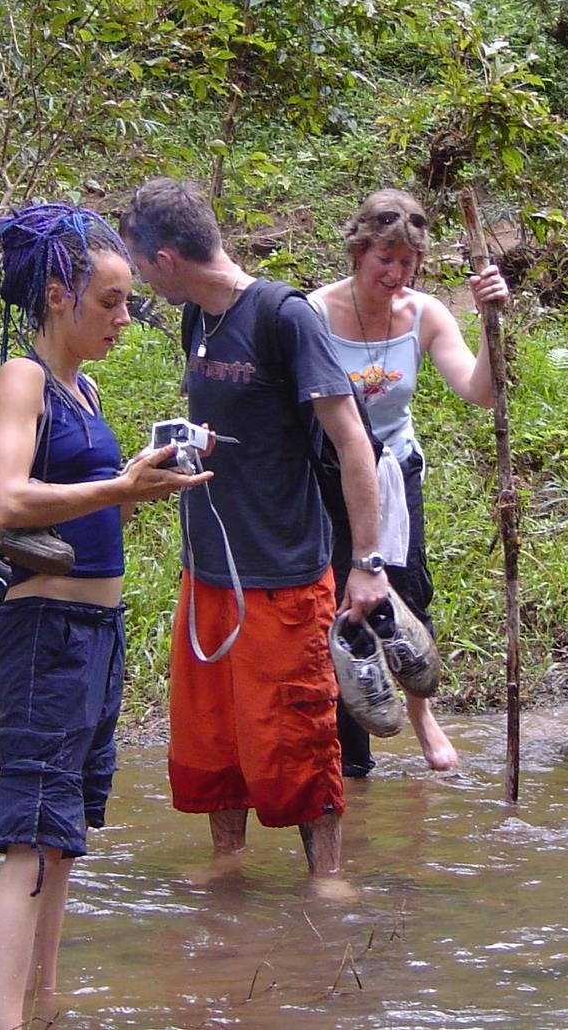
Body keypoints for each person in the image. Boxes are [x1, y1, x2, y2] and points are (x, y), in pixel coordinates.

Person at [0, 204, 208, 1029]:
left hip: (97, 634)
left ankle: (44, 1003)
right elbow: (6, 499)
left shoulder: (85, 387)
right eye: (108, 301)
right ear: (55, 296)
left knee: (64, 833)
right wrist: (117, 486)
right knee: (31, 835)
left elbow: (81, 512)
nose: (123, 317)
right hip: (46, 635)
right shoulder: (22, 379)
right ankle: (6, 1018)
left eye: (126, 301)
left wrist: (141, 486)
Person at [118, 178, 388, 883]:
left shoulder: (282, 315)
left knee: (295, 730)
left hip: (285, 572)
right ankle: (227, 859)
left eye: (140, 265)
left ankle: (326, 875)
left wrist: (367, 561)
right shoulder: (194, 321)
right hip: (207, 565)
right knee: (213, 735)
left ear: (167, 257)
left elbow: (352, 440)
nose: (139, 280)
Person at [308, 187, 510, 777]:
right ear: (358, 253)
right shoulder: (316, 313)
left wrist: (491, 321)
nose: (395, 275)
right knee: (339, 605)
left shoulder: (426, 314)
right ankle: (351, 745)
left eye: (407, 264)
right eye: (384, 262)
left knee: (407, 593)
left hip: (396, 471)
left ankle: (423, 717)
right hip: (330, 477)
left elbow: (478, 392)